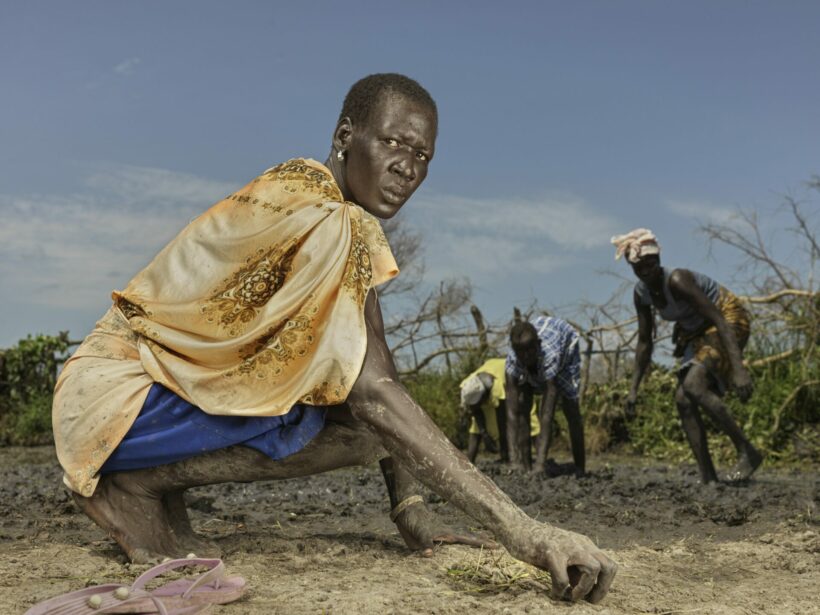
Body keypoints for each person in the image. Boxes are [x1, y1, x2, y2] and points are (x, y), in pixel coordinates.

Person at [52, 73, 616, 602]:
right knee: (367, 423)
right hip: (114, 406)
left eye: (422, 155)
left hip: (109, 401)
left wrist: (411, 511)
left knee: (367, 420)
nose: (408, 168)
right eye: (394, 143)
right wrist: (526, 533)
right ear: (346, 136)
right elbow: (374, 396)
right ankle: (133, 485)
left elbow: (380, 378)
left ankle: (150, 483)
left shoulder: (324, 206)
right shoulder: (328, 217)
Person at [612, 228, 762, 483]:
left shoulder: (678, 280)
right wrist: (633, 388)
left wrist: (739, 369)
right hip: (699, 332)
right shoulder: (642, 294)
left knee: (693, 384)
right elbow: (645, 342)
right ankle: (708, 476)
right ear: (632, 267)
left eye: (650, 262)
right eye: (638, 265)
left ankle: (747, 450)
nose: (646, 269)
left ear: (657, 260)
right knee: (683, 399)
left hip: (728, 320)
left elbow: (719, 320)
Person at [505, 316, 586, 476]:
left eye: (530, 351)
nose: (526, 356)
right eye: (521, 352)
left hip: (566, 347)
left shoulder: (551, 355)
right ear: (514, 350)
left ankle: (580, 467)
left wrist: (541, 464)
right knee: (522, 404)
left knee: (571, 410)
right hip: (537, 348)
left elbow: (547, 415)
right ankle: (525, 466)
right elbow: (512, 413)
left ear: (538, 345)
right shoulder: (513, 359)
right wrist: (514, 461)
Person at [459, 357, 541, 463]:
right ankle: (468, 463)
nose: (475, 408)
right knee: (476, 428)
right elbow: (475, 411)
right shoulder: (468, 385)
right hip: (491, 377)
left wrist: (504, 454)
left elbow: (503, 423)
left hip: (517, 385)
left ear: (483, 397)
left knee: (530, 420)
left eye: (477, 404)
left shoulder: (496, 390)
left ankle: (539, 459)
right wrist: (485, 434)